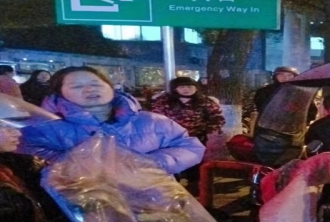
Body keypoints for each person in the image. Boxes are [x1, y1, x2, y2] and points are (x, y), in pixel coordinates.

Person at [17, 66, 205, 175]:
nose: (90, 89)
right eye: (77, 86)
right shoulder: (44, 128)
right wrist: (82, 167)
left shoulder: (152, 121)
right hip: (84, 210)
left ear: (110, 87)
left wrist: (152, 163)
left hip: (157, 206)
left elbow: (189, 146)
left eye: (96, 84)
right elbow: (32, 159)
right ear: (59, 93)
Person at [252, 65, 318, 167]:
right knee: (265, 160)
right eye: (281, 75)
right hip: (268, 130)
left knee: (290, 159)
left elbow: (310, 111)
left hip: (293, 131)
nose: (285, 77)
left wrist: (301, 122)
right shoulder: (265, 91)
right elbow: (261, 107)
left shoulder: (301, 93)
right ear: (275, 77)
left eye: (289, 75)